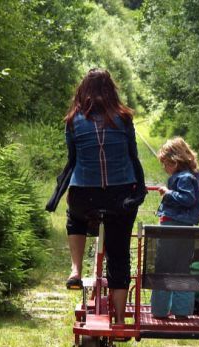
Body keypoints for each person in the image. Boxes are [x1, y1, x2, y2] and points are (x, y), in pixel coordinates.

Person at [45, 68, 146, 325]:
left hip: (84, 196)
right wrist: (138, 189)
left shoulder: (73, 120)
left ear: (83, 91)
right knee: (120, 253)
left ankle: (76, 269)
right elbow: (133, 156)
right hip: (120, 196)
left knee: (75, 218)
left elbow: (73, 158)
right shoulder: (124, 118)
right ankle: (121, 321)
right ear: (111, 90)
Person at [151, 137, 199, 320]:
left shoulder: (184, 178)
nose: (165, 168)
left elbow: (187, 199)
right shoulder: (194, 177)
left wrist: (168, 193)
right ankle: (181, 311)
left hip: (172, 227)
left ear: (174, 162)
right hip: (185, 228)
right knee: (182, 268)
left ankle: (159, 310)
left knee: (163, 267)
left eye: (165, 164)